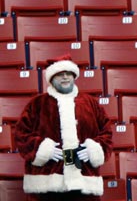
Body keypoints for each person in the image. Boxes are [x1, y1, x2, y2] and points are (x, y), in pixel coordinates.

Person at [14, 54, 113, 201]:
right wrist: (42, 149)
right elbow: (21, 135)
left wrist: (94, 149)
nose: (65, 77)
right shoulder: (37, 104)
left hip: (84, 181)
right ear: (52, 79)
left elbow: (107, 133)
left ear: (74, 76)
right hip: (46, 185)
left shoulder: (91, 103)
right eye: (60, 74)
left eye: (68, 74)